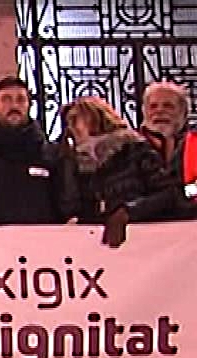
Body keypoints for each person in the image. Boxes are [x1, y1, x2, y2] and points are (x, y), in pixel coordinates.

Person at [60, 96, 179, 247]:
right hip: (102, 244)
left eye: (76, 118)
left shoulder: (134, 150)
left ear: (97, 118)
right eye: (69, 122)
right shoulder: (77, 163)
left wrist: (128, 211)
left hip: (145, 237)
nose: (72, 127)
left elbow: (167, 193)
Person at [0, 76, 64, 224]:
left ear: (29, 105)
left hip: (40, 235)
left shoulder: (49, 153)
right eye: (6, 99)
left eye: (20, 99)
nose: (14, 106)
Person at [138, 81, 196, 219]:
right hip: (142, 224)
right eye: (153, 106)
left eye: (168, 106)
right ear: (144, 112)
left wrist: (182, 195)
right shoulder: (128, 148)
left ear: (183, 112)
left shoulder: (194, 143)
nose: (159, 111)